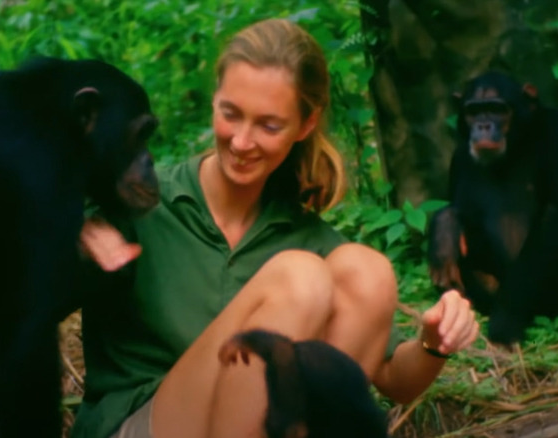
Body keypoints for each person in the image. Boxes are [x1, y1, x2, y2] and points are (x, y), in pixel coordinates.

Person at [71, 18, 479, 438]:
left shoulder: (304, 238)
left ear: (304, 125)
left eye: (268, 126)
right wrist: (74, 230)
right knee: (298, 276)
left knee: (366, 270)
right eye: (231, 114)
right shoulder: (137, 200)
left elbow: (394, 378)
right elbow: (19, 272)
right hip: (140, 426)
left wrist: (435, 341)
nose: (242, 142)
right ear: (214, 101)